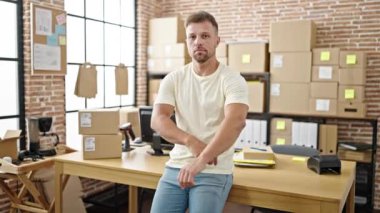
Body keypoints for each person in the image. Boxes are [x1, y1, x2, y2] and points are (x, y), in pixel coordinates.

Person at [150, 11, 249, 213]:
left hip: (214, 169)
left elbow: (236, 121)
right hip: (175, 168)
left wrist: (200, 160)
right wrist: (190, 141)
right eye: (192, 37)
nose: (198, 42)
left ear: (217, 41)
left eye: (205, 36)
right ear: (187, 41)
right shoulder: (174, 78)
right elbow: (158, 120)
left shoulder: (232, 79)